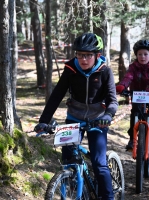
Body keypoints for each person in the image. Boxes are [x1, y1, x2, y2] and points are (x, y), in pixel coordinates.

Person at [34, 33, 118, 200]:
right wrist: (43, 121)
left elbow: (112, 100)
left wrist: (108, 115)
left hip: (98, 120)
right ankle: (73, 192)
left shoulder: (105, 72)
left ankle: (108, 197)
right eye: (80, 55)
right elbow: (57, 95)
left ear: (97, 55)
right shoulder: (70, 70)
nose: (83, 59)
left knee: (99, 163)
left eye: (88, 55)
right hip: (74, 117)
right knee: (67, 160)